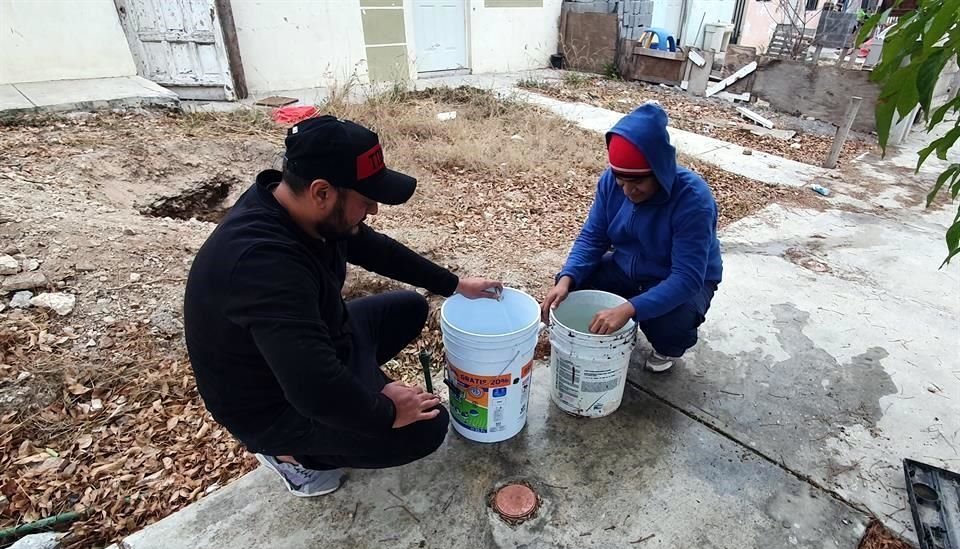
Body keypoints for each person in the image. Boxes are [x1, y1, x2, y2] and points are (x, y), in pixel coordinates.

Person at [184, 115, 501, 498]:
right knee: (426, 430)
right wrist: (386, 412)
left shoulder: (302, 211)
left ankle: (358, 385)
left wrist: (454, 284)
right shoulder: (263, 265)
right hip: (273, 401)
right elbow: (312, 389)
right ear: (321, 192)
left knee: (409, 308)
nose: (374, 211)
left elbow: (373, 247)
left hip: (315, 346)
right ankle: (290, 456)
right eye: (366, 201)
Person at [541, 102, 722, 373]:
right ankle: (623, 313)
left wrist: (629, 309)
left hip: (680, 277)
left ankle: (668, 346)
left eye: (637, 182)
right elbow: (592, 238)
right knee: (574, 289)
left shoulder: (693, 200)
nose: (627, 191)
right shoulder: (609, 183)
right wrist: (567, 277)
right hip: (626, 266)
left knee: (672, 323)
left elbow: (687, 277)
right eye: (620, 181)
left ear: (660, 172)